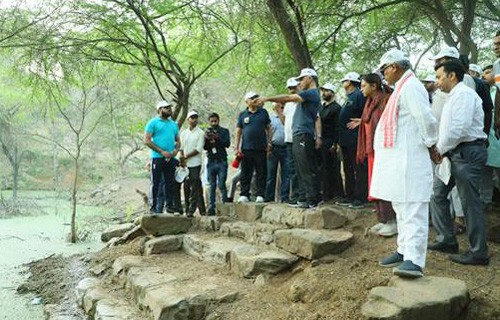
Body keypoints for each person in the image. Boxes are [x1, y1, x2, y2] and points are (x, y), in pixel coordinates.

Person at [372, 49, 438, 278]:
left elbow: (425, 118)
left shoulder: (411, 87)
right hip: (398, 160)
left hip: (411, 160)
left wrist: (432, 144)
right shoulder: (401, 87)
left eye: (383, 70)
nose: (382, 75)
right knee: (401, 207)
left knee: (413, 209)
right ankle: (403, 250)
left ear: (394, 67)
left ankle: (415, 260)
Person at [428, 59, 489, 266]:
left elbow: (459, 129)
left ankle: (479, 252)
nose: (437, 82)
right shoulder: (452, 96)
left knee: (469, 203)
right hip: (454, 153)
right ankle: (446, 239)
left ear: (452, 75)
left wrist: (440, 149)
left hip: (467, 152)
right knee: (437, 194)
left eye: (439, 77)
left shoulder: (463, 94)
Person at [256, 68, 322, 209]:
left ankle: (313, 199)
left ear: (310, 78)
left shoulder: (311, 93)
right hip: (297, 134)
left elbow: (287, 98)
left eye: (301, 79)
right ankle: (303, 198)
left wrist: (267, 98)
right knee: (298, 168)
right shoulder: (306, 95)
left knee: (305, 167)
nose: (299, 83)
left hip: (304, 133)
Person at [348, 73, 397, 237]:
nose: (361, 90)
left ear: (374, 86)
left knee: (385, 185)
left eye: (363, 86)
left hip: (385, 151)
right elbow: (372, 120)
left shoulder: (386, 100)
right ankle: (382, 219)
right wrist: (362, 122)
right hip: (372, 151)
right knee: (375, 186)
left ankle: (393, 221)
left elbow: (387, 123)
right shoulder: (369, 103)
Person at [336, 71, 367, 209]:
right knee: (347, 169)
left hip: (355, 139)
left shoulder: (359, 95)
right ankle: (350, 196)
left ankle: (361, 197)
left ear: (349, 82)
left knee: (358, 168)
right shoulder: (348, 98)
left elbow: (367, 112)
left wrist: (362, 121)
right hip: (345, 140)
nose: (343, 83)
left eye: (344, 81)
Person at [144, 100, 180, 214]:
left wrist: (175, 151)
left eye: (169, 107)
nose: (169, 109)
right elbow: (147, 140)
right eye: (166, 108)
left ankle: (169, 206)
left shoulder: (173, 124)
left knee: (170, 183)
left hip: (171, 158)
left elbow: (178, 141)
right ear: (160, 110)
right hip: (157, 157)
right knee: (155, 182)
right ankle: (153, 207)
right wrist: (161, 151)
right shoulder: (153, 122)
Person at [235, 92, 271, 203]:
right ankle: (244, 194)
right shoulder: (243, 114)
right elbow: (238, 131)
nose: (255, 99)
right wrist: (237, 147)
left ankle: (260, 194)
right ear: (247, 101)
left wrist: (269, 143)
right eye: (252, 98)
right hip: (246, 148)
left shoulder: (263, 113)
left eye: (256, 97)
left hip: (261, 148)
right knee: (246, 172)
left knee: (261, 172)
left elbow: (269, 128)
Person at [319, 82, 344, 202]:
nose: (324, 93)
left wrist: (335, 143)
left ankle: (337, 194)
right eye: (323, 91)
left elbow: (337, 127)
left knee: (333, 168)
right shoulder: (321, 107)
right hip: (321, 140)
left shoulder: (337, 108)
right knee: (323, 168)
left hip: (330, 141)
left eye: (326, 91)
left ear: (332, 92)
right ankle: (326, 194)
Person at [179, 110, 206, 217]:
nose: (194, 120)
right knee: (187, 186)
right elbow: (181, 148)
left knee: (194, 186)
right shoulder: (184, 133)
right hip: (185, 164)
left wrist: (185, 156)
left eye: (196, 118)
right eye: (192, 118)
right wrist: (182, 159)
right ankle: (200, 209)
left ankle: (191, 209)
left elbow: (198, 149)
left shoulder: (200, 133)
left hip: (195, 163)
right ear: (188, 120)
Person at [283, 78, 304, 206]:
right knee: (292, 169)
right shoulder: (288, 104)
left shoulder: (303, 101)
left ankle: (303, 195)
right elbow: (285, 121)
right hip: (289, 139)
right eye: (289, 88)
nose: (291, 90)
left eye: (293, 87)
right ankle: (295, 195)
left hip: (300, 138)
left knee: (301, 168)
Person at [481, 65, 500, 209]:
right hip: (485, 138)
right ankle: (486, 200)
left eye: (488, 72)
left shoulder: (497, 91)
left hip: (497, 138)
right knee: (485, 172)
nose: (484, 75)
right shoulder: (480, 90)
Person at [204, 112, 230, 215]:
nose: (214, 123)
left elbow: (227, 144)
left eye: (215, 121)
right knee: (212, 185)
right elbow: (205, 147)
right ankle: (212, 207)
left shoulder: (224, 131)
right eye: (212, 121)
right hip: (211, 161)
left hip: (221, 160)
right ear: (209, 122)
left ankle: (224, 206)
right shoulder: (207, 132)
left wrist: (217, 137)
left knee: (222, 184)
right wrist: (207, 139)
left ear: (218, 120)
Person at [265, 102, 289, 202]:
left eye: (282, 106)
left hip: (286, 148)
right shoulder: (269, 118)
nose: (281, 107)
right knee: (271, 174)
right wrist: (268, 146)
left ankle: (285, 198)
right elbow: (266, 133)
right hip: (273, 148)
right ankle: (269, 197)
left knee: (286, 175)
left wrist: (281, 113)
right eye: (278, 106)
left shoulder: (287, 117)